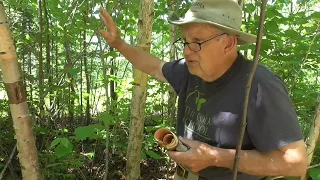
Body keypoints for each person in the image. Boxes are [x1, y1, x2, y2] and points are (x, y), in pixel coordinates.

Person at [99, 0, 308, 179]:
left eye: (197, 42)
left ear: (228, 43)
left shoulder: (260, 86)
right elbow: (154, 66)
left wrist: (215, 157)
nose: (187, 51)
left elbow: (295, 162)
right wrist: (119, 44)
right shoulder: (188, 70)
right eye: (185, 41)